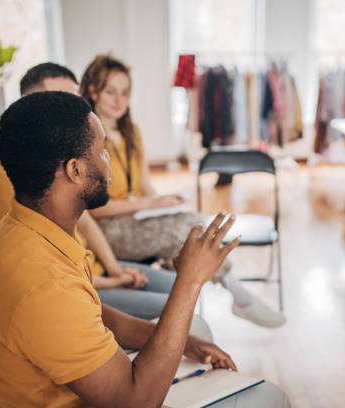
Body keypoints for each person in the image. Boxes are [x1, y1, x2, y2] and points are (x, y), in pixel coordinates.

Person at [0, 91, 290, 407]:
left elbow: (95, 314)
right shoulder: (46, 285)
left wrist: (188, 345)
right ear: (75, 170)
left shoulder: (21, 227)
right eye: (103, 151)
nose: (108, 162)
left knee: (196, 331)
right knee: (272, 398)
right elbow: (136, 401)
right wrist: (189, 281)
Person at [79, 54, 286, 328]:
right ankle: (238, 296)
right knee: (185, 232)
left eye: (125, 93)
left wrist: (165, 202)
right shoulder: (88, 138)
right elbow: (93, 208)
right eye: (111, 92)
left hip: (132, 220)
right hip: (105, 232)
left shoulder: (132, 133)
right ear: (93, 91)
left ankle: (219, 296)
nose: (119, 100)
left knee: (193, 223)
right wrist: (148, 205)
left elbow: (144, 187)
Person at [0, 62, 174, 320]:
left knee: (177, 291)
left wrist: (115, 270)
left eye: (75, 101)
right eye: (60, 103)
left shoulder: (65, 161)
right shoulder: (13, 178)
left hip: (93, 270)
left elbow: (86, 222)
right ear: (30, 104)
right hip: (73, 286)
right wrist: (113, 282)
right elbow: (47, 275)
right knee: (180, 311)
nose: (74, 113)